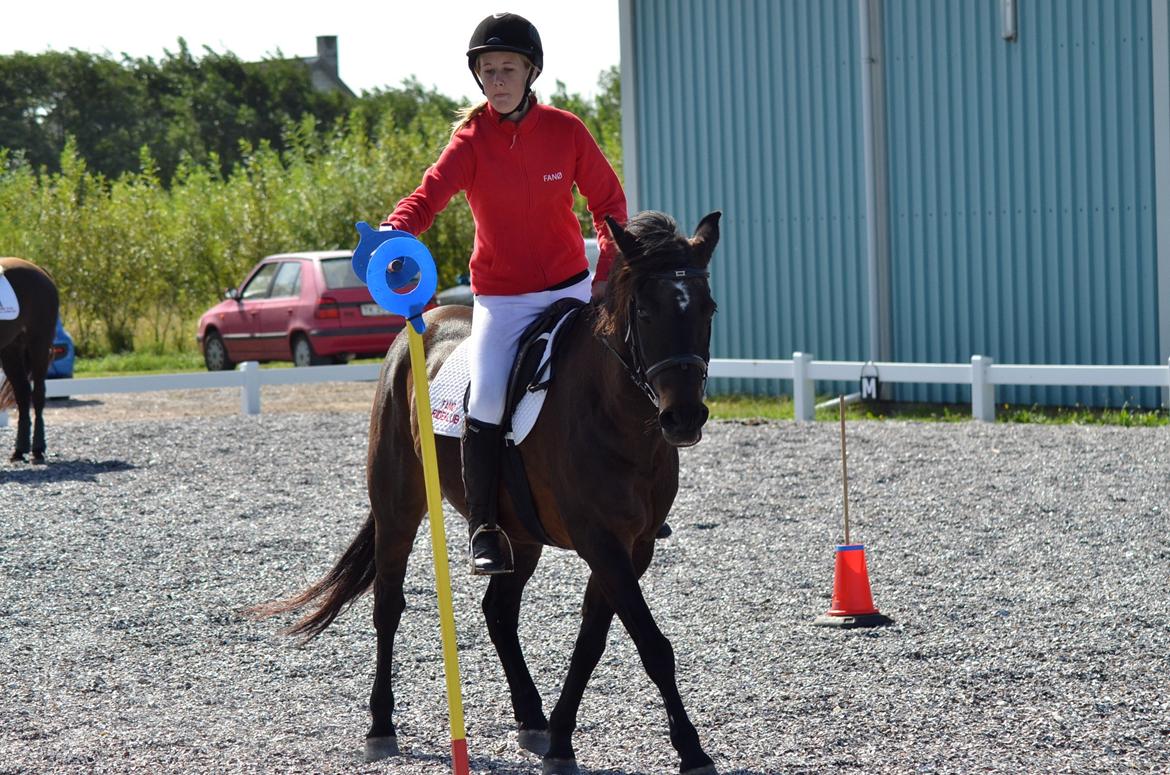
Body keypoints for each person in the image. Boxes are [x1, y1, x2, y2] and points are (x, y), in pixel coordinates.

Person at [380, 12, 628, 575]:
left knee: (616, 373)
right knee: (487, 397)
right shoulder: (469, 142)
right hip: (503, 301)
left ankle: (632, 494)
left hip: (570, 291)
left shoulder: (567, 130)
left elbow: (608, 204)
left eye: (507, 69)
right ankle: (486, 526)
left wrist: (607, 273)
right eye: (487, 70)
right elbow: (428, 196)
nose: (497, 79)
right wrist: (397, 231)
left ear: (530, 71)